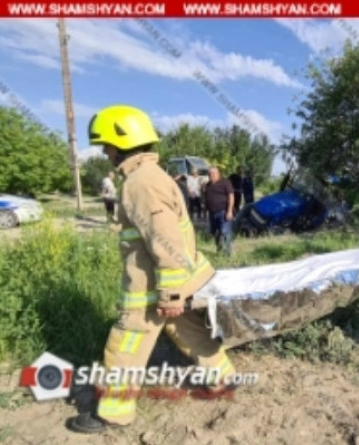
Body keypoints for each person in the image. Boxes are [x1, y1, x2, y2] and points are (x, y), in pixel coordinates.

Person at [67, 105, 238, 434]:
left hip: (152, 288)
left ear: (121, 144)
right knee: (189, 332)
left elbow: (164, 240)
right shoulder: (150, 176)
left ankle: (113, 413)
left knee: (125, 346)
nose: (104, 153)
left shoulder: (140, 183)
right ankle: (223, 378)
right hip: (179, 280)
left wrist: (169, 295)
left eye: (106, 146)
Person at [204, 166, 234, 256]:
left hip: (223, 212)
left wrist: (230, 211)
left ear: (218, 174)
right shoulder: (208, 185)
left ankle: (227, 253)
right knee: (216, 233)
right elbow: (206, 199)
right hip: (212, 213)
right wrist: (206, 211)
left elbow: (231, 196)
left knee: (225, 232)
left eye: (213, 173)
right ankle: (219, 251)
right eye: (209, 174)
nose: (211, 175)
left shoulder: (225, 183)